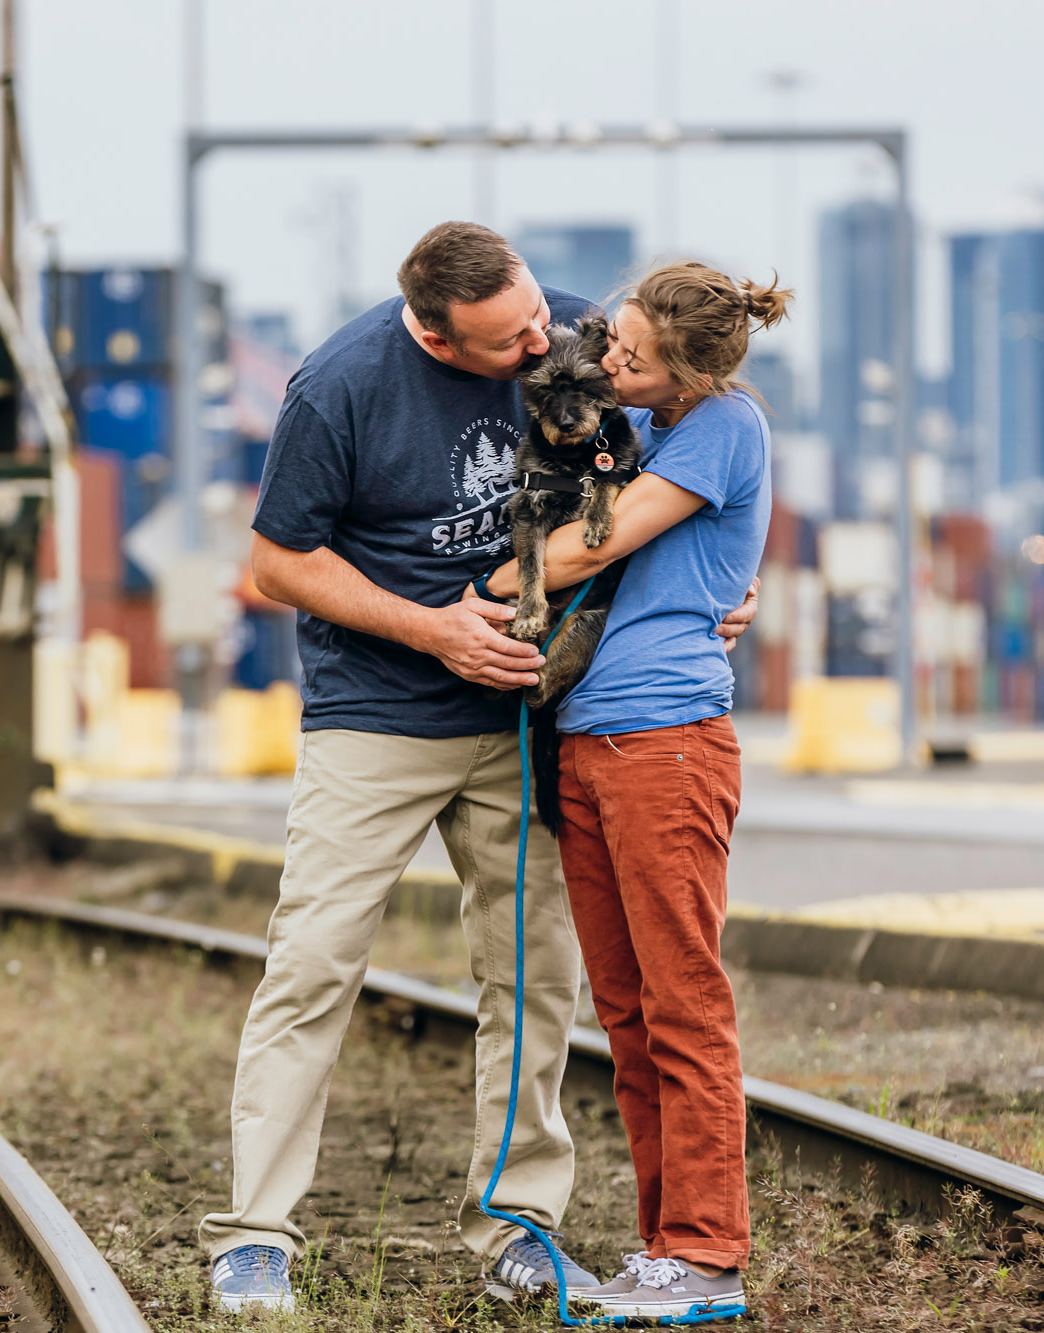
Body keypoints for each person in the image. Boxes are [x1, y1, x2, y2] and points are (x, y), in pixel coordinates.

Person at [200, 223, 759, 1313]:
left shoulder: (570, 332)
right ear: (434, 334)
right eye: (511, 341)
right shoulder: (339, 387)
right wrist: (430, 630)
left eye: (542, 320)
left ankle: (515, 1222)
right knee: (312, 960)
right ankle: (254, 1232)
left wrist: (719, 588)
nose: (547, 343)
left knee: (532, 975)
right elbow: (274, 561)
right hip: (378, 713)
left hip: (527, 715)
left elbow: (684, 466)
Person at [476, 260, 789, 1321]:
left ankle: (703, 1252)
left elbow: (584, 549)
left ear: (688, 368)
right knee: (623, 1009)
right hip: (588, 746)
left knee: (681, 1002)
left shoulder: (721, 427)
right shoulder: (647, 424)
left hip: (665, 743)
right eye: (613, 343)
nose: (610, 363)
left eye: (632, 356)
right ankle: (664, 1249)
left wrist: (492, 586)